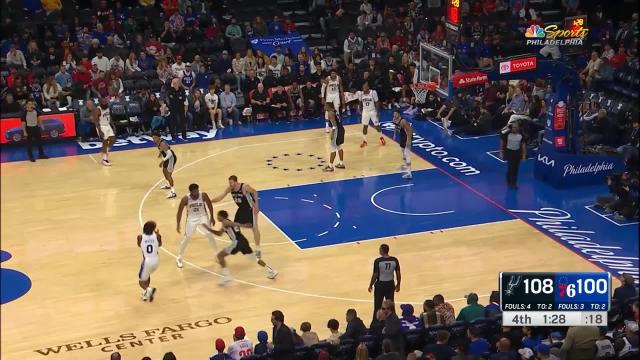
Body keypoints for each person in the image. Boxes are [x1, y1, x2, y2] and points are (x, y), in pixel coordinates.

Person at [206, 210, 277, 284]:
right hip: (243, 242)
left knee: (220, 256)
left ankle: (226, 276)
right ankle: (270, 271)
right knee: (254, 259)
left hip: (237, 242)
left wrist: (244, 225)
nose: (217, 217)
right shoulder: (225, 224)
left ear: (221, 216)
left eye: (218, 215)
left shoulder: (225, 222)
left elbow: (233, 223)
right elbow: (219, 234)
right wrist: (209, 229)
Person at [211, 175, 262, 254]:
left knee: (254, 228)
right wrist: (210, 201)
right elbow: (221, 197)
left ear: (236, 182)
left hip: (250, 209)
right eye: (229, 183)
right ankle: (240, 243)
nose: (230, 184)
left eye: (231, 183)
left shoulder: (244, 187)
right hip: (241, 209)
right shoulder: (230, 189)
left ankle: (258, 249)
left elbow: (255, 192)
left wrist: (256, 206)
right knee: (235, 226)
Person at [175, 183, 218, 268]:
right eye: (195, 191)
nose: (197, 192)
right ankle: (179, 258)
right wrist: (178, 224)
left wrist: (212, 217)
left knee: (210, 234)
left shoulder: (203, 195)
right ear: (191, 192)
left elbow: (209, 205)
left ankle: (216, 255)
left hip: (203, 216)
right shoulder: (185, 199)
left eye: (197, 190)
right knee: (187, 237)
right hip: (191, 218)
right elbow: (179, 212)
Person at [369, 244, 401, 319]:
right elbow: (398, 273)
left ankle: (376, 322)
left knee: (377, 305)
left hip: (380, 285)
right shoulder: (394, 260)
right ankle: (393, 319)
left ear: (382, 251)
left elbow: (375, 274)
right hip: (390, 284)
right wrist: (398, 284)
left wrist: (371, 284)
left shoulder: (378, 261)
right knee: (390, 304)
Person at [137, 220, 161, 302]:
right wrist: (156, 234)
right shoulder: (158, 236)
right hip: (156, 260)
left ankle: (149, 290)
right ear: (153, 229)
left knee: (141, 282)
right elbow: (160, 244)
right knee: (147, 275)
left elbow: (138, 244)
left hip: (147, 261)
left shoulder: (140, 237)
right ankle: (146, 294)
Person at [499, 122, 526, 189]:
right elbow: (502, 141)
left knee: (516, 168)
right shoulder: (507, 134)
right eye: (513, 127)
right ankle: (509, 182)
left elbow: (523, 145)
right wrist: (501, 152)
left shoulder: (521, 135)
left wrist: (524, 155)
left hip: (517, 152)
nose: (514, 129)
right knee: (511, 167)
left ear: (518, 128)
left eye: (516, 127)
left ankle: (513, 182)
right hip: (509, 152)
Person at [359, 82, 385, 148]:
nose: (364, 88)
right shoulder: (361, 94)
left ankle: (381, 137)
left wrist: (377, 112)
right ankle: (364, 141)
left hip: (372, 111)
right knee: (365, 126)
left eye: (365, 87)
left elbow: (376, 102)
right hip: (365, 111)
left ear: (368, 87)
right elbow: (360, 103)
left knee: (376, 126)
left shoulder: (373, 92)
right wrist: (360, 111)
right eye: (363, 87)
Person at [152, 132, 177, 199]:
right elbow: (166, 148)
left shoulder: (162, 143)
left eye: (155, 138)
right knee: (164, 171)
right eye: (153, 138)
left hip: (171, 159)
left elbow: (170, 154)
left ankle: (173, 192)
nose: (153, 139)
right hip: (167, 159)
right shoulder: (159, 142)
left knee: (168, 175)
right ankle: (168, 184)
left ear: (158, 137)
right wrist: (160, 153)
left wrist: (162, 161)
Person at [92, 98, 116, 166]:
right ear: (100, 103)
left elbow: (109, 117)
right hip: (101, 126)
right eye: (103, 102)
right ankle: (104, 159)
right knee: (105, 141)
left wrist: (113, 126)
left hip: (107, 125)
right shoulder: (98, 110)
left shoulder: (108, 108)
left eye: (106, 102)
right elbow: (96, 121)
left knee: (113, 139)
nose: (105, 103)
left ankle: (104, 151)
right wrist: (99, 131)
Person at [322, 102, 346, 172]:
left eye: (325, 106)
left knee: (333, 149)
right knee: (339, 147)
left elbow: (334, 125)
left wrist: (332, 134)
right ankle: (341, 164)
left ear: (328, 106)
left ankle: (330, 166)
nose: (324, 107)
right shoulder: (335, 111)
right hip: (341, 129)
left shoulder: (330, 113)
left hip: (337, 131)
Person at [392, 111, 413, 179]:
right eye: (393, 114)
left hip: (407, 136)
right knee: (402, 151)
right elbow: (396, 126)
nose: (394, 115)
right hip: (402, 136)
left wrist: (408, 141)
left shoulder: (403, 121)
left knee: (407, 154)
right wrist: (394, 134)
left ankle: (409, 173)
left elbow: (410, 131)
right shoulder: (394, 119)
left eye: (395, 114)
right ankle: (404, 165)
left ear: (399, 114)